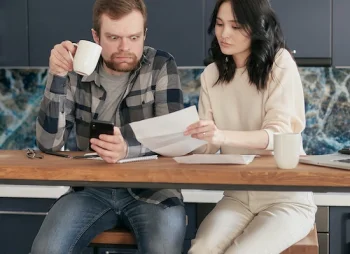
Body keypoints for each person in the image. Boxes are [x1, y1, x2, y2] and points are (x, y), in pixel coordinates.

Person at [31, 0, 186, 253]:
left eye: (134, 37)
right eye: (113, 37)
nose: (125, 47)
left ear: (144, 34)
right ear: (95, 36)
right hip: (90, 189)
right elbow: (49, 143)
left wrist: (129, 148)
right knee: (46, 250)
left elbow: (174, 138)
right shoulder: (75, 68)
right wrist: (57, 76)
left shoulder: (160, 65)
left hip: (154, 190)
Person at [184, 0, 317, 253]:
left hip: (286, 198)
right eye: (220, 24)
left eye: (235, 26)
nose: (224, 34)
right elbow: (208, 147)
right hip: (237, 196)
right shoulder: (211, 75)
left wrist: (221, 136)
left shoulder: (280, 63)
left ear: (257, 27)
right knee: (200, 249)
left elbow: (278, 134)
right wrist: (188, 140)